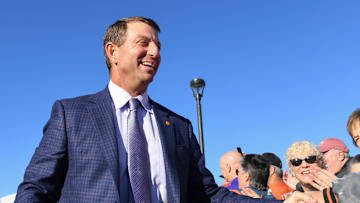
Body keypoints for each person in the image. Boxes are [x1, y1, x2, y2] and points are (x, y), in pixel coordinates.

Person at [15, 16, 315, 203]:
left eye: (158, 45)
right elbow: (36, 189)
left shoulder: (179, 127)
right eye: (143, 43)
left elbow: (207, 195)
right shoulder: (73, 114)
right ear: (113, 51)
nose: (155, 52)